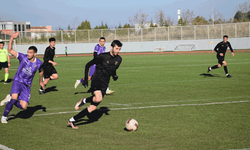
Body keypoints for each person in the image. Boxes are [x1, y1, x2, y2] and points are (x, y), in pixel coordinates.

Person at [68, 40, 123, 129]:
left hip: (105, 83)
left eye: (119, 49)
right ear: (111, 47)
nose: (118, 51)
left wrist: (114, 76)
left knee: (92, 108)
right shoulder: (102, 57)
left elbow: (113, 69)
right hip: (96, 80)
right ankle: (84, 101)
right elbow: (88, 65)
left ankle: (72, 120)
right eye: (116, 48)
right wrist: (86, 79)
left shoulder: (119, 59)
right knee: (98, 98)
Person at [0, 32, 44, 123]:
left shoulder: (39, 63)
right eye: (28, 52)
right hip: (17, 81)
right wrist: (12, 38)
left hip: (27, 85)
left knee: (24, 106)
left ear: (35, 54)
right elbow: (10, 50)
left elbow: (41, 71)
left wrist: (41, 81)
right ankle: (4, 117)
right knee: (14, 99)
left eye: (30, 53)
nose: (28, 54)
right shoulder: (23, 57)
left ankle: (10, 98)